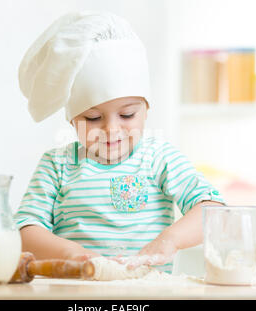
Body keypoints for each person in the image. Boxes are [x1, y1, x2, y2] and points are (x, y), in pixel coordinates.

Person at [14, 11, 225, 273]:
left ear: (146, 109)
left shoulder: (159, 158)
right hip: (71, 290)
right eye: (92, 118)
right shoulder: (57, 165)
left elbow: (213, 210)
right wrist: (74, 254)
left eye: (127, 114)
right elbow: (25, 231)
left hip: (147, 293)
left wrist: (170, 240)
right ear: (71, 121)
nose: (111, 129)